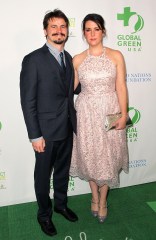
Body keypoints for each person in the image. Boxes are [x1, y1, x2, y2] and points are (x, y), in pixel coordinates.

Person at [20, 9, 78, 237]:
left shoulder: (70, 58)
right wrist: (35, 136)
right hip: (44, 132)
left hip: (66, 127)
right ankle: (44, 215)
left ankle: (61, 205)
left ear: (67, 30)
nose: (58, 31)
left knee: (62, 172)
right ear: (45, 31)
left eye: (63, 26)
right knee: (43, 178)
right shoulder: (33, 59)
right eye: (53, 27)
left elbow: (71, 90)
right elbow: (28, 101)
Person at [70, 13, 129, 223]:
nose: (92, 33)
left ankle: (103, 200)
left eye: (96, 29)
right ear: (84, 33)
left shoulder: (116, 55)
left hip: (110, 111)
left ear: (103, 31)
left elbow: (121, 86)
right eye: (88, 29)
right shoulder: (77, 59)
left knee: (108, 156)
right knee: (90, 156)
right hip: (85, 113)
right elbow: (70, 89)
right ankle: (93, 197)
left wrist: (124, 113)